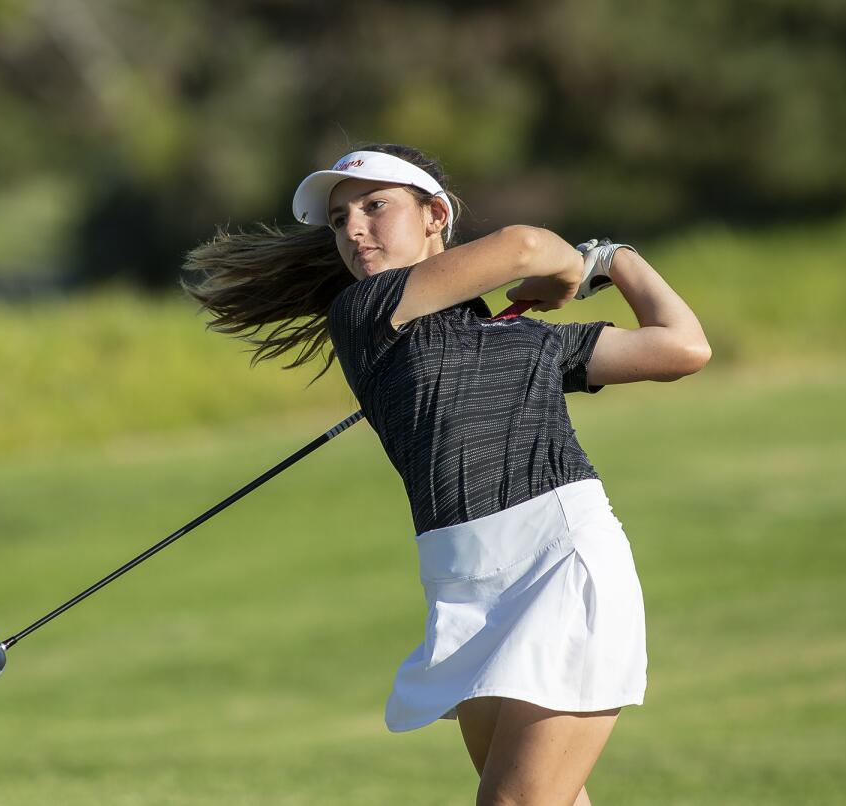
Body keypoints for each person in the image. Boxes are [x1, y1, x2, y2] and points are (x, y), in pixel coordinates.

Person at [181, 143, 710, 805]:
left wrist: (611, 259)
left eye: (375, 206)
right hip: (464, 590)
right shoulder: (365, 311)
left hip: (559, 561)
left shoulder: (532, 340)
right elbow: (524, 249)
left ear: (435, 214)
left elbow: (681, 345)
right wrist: (571, 269)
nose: (352, 227)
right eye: (340, 217)